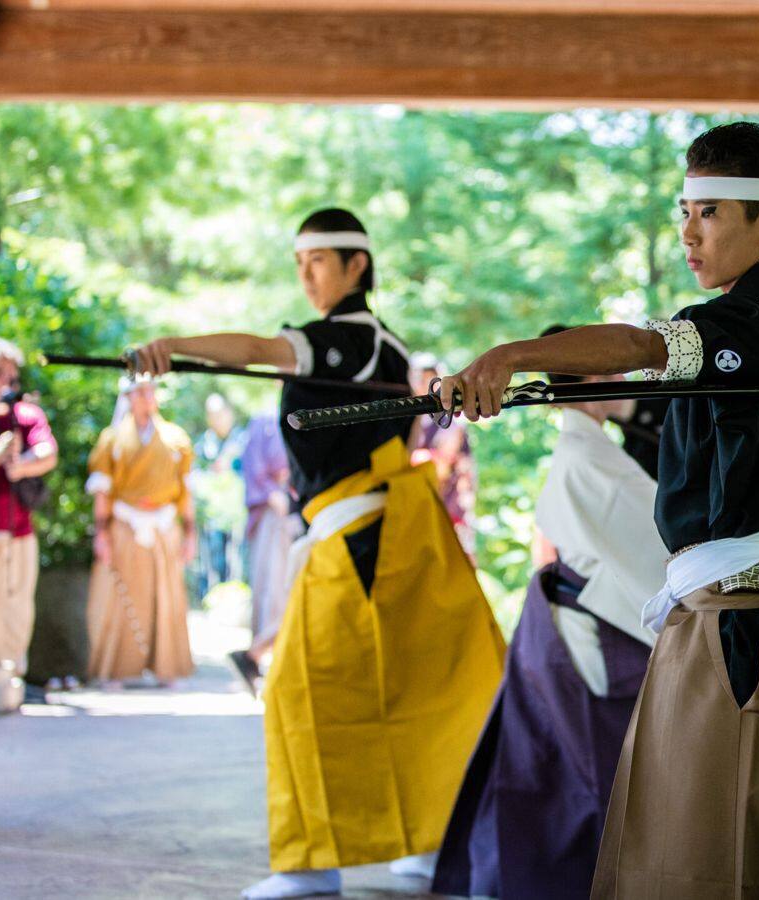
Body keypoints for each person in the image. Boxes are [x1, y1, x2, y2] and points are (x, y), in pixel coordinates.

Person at [437, 123, 759, 899]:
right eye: (685, 211)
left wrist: (512, 356)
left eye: (711, 213)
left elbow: (639, 345)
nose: (690, 232)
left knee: (722, 823)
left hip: (751, 614)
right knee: (748, 819)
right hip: (752, 598)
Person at [130, 208, 505, 900]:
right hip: (367, 534)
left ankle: (312, 864)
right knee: (406, 689)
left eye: (319, 261)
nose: (306, 276)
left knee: (299, 692)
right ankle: (423, 844)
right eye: (299, 263)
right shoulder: (377, 342)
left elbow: (260, 349)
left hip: (362, 536)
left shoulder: (350, 337)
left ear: (357, 265)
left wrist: (173, 345)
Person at [434, 326, 668, 900]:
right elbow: (664, 555)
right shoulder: (591, 460)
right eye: (609, 370)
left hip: (574, 629)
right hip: (596, 636)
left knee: (561, 780)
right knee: (613, 780)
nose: (621, 378)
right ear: (582, 379)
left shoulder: (593, 451)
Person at [84, 379, 197, 687]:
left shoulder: (176, 439)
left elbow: (186, 493)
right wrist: (102, 533)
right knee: (119, 596)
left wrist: (190, 533)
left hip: (163, 525)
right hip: (124, 525)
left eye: (150, 391)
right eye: (139, 392)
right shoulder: (112, 438)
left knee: (167, 595)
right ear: (128, 397)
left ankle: (167, 668)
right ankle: (115, 669)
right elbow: (102, 492)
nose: (146, 397)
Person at [0, 338, 57, 687]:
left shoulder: (26, 416)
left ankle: (10, 672)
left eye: (11, 376)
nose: (6, 382)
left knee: (17, 603)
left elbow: (48, 452)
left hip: (17, 528)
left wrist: (21, 465)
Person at [227, 408, 298, 695]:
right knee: (274, 587)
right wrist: (273, 495)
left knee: (292, 587)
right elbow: (254, 466)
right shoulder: (265, 420)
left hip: (299, 507)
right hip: (274, 512)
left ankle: (255, 656)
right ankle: (258, 656)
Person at [408, 352, 477, 557]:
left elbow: (440, 468)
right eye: (422, 379)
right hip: (419, 513)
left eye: (432, 379)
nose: (428, 385)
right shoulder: (412, 422)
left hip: (450, 513)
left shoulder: (452, 425)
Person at [192, 392, 246, 599]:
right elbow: (195, 474)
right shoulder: (204, 444)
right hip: (211, 513)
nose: (218, 419)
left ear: (230, 413)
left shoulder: (242, 440)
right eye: (212, 415)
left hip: (238, 512)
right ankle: (210, 599)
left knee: (236, 560)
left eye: (221, 413)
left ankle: (234, 600)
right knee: (211, 559)